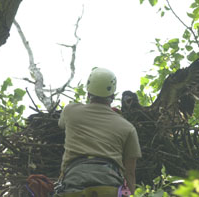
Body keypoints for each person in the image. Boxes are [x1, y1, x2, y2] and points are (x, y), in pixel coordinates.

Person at [55, 67, 142, 197]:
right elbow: (130, 172)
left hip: (74, 181)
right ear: (113, 95)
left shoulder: (70, 111)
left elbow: (61, 125)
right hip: (109, 184)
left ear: (88, 92)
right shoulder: (127, 127)